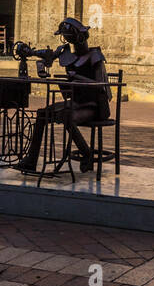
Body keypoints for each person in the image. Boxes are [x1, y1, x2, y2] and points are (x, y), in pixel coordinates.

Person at [17, 18, 109, 174]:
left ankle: (86, 153)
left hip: (93, 107)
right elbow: (49, 56)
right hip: (76, 102)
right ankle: (31, 160)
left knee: (66, 116)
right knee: (42, 114)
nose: (70, 42)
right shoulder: (66, 53)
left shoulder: (95, 56)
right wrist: (31, 53)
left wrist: (77, 78)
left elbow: (100, 85)